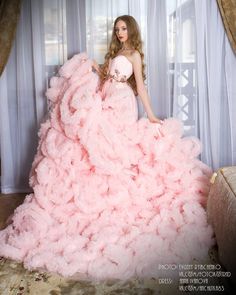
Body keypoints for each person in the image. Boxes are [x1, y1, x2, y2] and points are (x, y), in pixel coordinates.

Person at [0, 15, 214, 280]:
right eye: (117, 29)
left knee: (114, 147)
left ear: (131, 30)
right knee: (91, 141)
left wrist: (150, 115)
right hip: (107, 97)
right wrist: (93, 67)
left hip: (123, 103)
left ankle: (119, 189)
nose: (120, 32)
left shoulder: (134, 54)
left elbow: (141, 89)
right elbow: (105, 77)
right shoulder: (115, 53)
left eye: (124, 28)